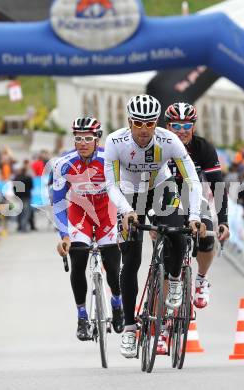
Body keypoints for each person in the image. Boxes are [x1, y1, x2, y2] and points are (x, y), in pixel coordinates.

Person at [104, 94, 204, 358]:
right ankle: (128, 329)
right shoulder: (115, 142)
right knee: (131, 259)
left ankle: (173, 280)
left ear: (157, 122)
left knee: (178, 235)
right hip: (128, 193)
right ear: (129, 122)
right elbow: (111, 185)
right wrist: (125, 211)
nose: (144, 129)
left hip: (161, 187)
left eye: (149, 123)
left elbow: (192, 179)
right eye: (138, 123)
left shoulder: (168, 140)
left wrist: (194, 215)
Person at [53, 116, 124, 341]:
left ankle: (117, 303)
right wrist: (64, 235)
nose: (82, 143)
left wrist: (124, 221)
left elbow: (125, 191)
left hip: (107, 213)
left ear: (97, 139)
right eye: (78, 138)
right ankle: (82, 316)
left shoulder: (109, 159)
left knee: (112, 266)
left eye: (88, 138)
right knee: (79, 260)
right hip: (79, 214)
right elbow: (57, 202)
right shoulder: (64, 163)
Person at [165, 102, 230, 309]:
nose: (182, 131)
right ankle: (162, 317)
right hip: (164, 200)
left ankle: (201, 278)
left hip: (193, 198)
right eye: (176, 126)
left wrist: (224, 221)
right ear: (168, 127)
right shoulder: (159, 146)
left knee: (208, 233)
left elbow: (217, 186)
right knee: (167, 254)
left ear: (193, 126)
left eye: (186, 126)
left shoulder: (203, 148)